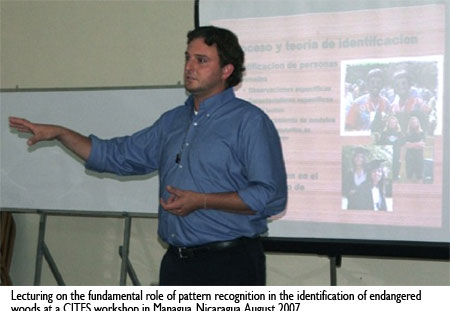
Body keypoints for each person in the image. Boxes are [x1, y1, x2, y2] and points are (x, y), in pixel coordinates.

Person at [9, 26, 288, 286]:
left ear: (227, 70)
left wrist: (202, 201)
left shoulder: (249, 122)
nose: (190, 67)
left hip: (230, 265)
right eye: (188, 58)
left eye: (202, 60)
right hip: (176, 263)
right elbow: (117, 155)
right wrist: (61, 133)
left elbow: (271, 196)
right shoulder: (172, 122)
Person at [345, 68, 391, 135]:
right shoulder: (357, 103)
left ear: (382, 85)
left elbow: (391, 125)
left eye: (378, 82)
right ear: (367, 84)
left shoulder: (387, 103)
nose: (375, 85)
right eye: (372, 82)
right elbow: (348, 128)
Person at [391, 70, 431, 134]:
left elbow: (428, 114)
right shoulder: (393, 105)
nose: (401, 86)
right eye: (397, 84)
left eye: (404, 83)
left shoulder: (418, 101)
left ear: (409, 85)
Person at [377, 115, 404, 181]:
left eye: (394, 122)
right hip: (386, 153)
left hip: (396, 154)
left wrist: (397, 141)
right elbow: (381, 142)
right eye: (391, 122)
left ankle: (395, 180)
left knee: (395, 169)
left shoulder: (399, 133)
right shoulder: (384, 133)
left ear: (396, 123)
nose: (392, 124)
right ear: (388, 123)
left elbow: (403, 142)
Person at [404, 116, 426, 181]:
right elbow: (406, 145)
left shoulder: (422, 133)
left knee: (420, 177)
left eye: (415, 122)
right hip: (409, 157)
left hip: (419, 157)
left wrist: (411, 144)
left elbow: (422, 145)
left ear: (417, 123)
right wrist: (417, 144)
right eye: (412, 122)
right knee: (409, 177)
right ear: (410, 123)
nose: (413, 124)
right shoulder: (407, 133)